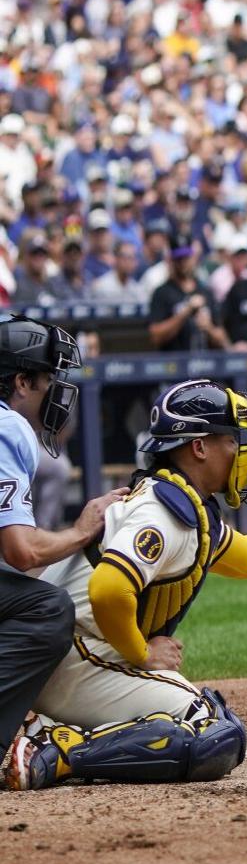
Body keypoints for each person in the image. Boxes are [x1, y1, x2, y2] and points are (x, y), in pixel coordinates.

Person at [4, 379, 247, 789]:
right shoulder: (160, 511)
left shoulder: (181, 502)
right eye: (232, 440)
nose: (242, 451)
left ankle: (41, 728)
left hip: (74, 658)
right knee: (212, 730)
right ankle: (54, 752)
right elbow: (108, 589)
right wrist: (141, 654)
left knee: (211, 723)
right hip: (76, 659)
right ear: (199, 447)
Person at [0, 319, 124, 756]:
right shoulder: (7, 425)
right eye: (47, 378)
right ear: (20, 381)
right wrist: (81, 530)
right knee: (48, 607)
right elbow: (22, 552)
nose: (53, 388)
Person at [148, 233, 228, 351]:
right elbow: (155, 337)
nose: (183, 263)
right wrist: (185, 313)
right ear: (171, 260)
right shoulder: (161, 293)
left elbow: (222, 339)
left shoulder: (205, 291)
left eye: (186, 257)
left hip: (205, 364)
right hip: (174, 365)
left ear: (193, 258)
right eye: (178, 258)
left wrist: (208, 327)